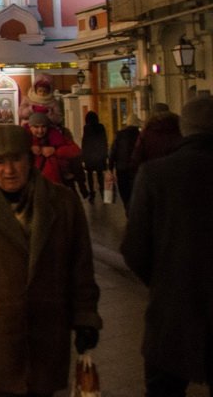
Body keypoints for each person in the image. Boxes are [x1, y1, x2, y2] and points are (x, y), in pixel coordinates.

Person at [0, 125, 102, 397]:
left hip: (48, 329)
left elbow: (80, 266)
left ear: (29, 159)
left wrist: (85, 315)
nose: (9, 169)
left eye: (16, 159)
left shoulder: (62, 203)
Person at [120, 96, 213, 395]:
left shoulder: (156, 174)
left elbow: (134, 248)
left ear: (184, 130)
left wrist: (162, 282)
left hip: (172, 315)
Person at [110, 114, 142, 208]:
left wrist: (110, 168)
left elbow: (113, 151)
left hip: (121, 168)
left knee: (124, 191)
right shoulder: (140, 135)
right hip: (136, 168)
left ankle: (127, 209)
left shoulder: (119, 135)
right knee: (134, 191)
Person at [79, 111, 109, 203]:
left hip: (90, 155)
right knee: (100, 174)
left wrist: (83, 156)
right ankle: (102, 191)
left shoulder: (86, 128)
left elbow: (85, 142)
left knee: (90, 175)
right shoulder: (101, 127)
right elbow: (104, 141)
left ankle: (92, 192)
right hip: (99, 155)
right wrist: (105, 154)